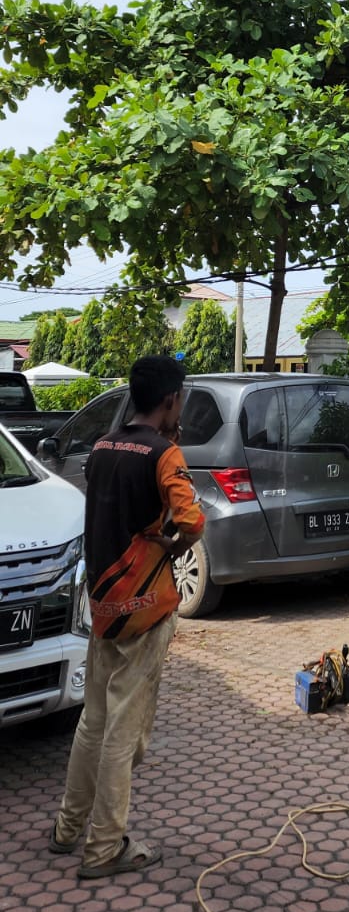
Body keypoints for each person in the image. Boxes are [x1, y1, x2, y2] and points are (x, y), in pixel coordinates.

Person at [50, 354, 204, 880]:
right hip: (146, 607)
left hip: (102, 606)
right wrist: (173, 543)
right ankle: (104, 847)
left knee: (93, 721)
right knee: (123, 732)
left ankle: (68, 830)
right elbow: (193, 521)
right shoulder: (165, 453)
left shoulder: (102, 447)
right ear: (170, 399)